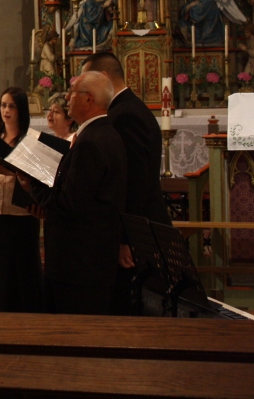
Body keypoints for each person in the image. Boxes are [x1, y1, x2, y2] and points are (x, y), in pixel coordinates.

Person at [17, 71, 128, 315]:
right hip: (91, 259)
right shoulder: (106, 133)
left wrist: (31, 185)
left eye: (73, 92)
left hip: (78, 264)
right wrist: (46, 208)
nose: (67, 97)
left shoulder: (90, 142)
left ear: (89, 99)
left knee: (73, 329)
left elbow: (69, 202)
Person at [81, 52, 171, 315]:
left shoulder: (125, 115)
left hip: (139, 231)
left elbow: (134, 181)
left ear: (103, 77)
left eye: (87, 83)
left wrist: (125, 239)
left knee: (135, 308)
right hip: (138, 227)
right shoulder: (128, 108)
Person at [0, 87, 42, 313]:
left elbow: (40, 178)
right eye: (3, 105)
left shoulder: (32, 139)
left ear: (21, 109)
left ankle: (24, 311)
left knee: (21, 265)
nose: (6, 110)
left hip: (21, 211)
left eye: (11, 106)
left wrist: (11, 171)